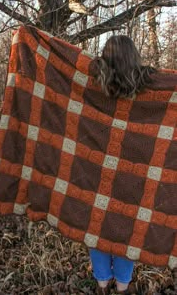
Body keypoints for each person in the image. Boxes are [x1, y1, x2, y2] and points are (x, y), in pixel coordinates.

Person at [90, 35, 156, 295]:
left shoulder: (92, 82)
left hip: (96, 168)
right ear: (133, 57)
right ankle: (122, 288)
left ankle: (102, 285)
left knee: (97, 226)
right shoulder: (150, 85)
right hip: (133, 174)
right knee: (127, 231)